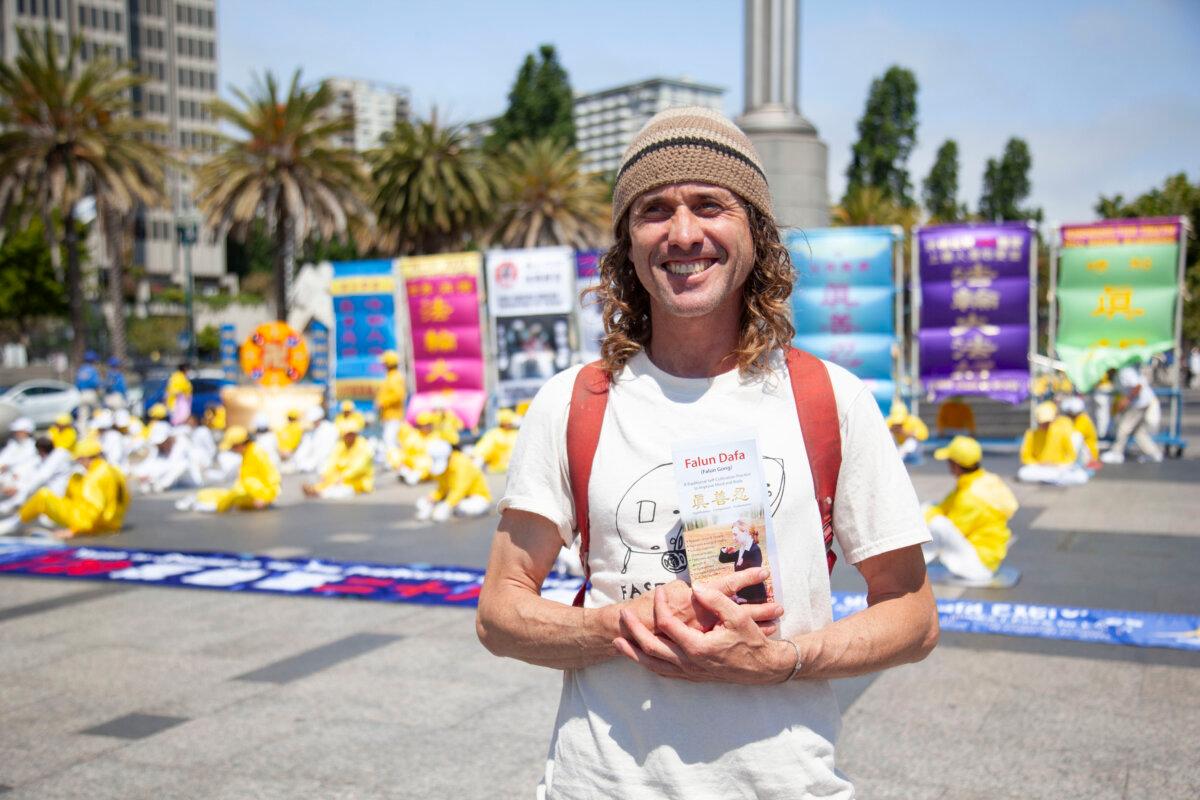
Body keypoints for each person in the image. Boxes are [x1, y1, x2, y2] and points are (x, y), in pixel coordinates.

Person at [475, 107, 937, 798]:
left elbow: (913, 613)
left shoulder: (827, 398)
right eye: (654, 209)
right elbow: (501, 612)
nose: (683, 233)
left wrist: (780, 659)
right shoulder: (574, 402)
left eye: (711, 206)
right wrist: (619, 627)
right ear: (627, 246)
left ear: (756, 234)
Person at [922, 436, 1018, 582]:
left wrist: (925, 521)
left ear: (956, 465)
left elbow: (951, 528)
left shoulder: (970, 497)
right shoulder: (979, 481)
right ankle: (914, 561)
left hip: (979, 566)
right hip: (982, 557)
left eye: (949, 461)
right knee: (928, 508)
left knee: (938, 525)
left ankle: (911, 566)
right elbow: (942, 507)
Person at [1, 438, 127, 539]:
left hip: (97, 524)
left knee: (43, 496)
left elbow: (94, 507)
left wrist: (73, 531)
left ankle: (13, 524)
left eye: (79, 459)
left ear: (86, 457)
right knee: (75, 478)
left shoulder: (94, 477)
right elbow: (125, 498)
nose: (79, 462)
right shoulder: (113, 470)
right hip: (113, 522)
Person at [175, 426, 279, 513]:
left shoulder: (257, 453)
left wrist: (265, 499)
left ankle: (203, 506)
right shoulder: (248, 453)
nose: (232, 450)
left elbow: (272, 476)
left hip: (257, 495)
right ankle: (198, 498)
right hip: (248, 491)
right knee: (215, 492)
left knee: (227, 499)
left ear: (240, 444)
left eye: (233, 447)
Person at [0, 437, 74, 521]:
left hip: (59, 493)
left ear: (41, 450)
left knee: (43, 519)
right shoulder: (55, 454)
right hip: (52, 491)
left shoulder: (57, 457)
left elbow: (41, 478)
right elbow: (34, 473)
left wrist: (18, 488)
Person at [1101, 363, 1163, 464]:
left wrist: (1127, 400)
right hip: (1141, 402)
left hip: (1140, 403)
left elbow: (1137, 386)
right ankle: (1153, 453)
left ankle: (1117, 452)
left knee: (1123, 428)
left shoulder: (1125, 372)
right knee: (1138, 432)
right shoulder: (1119, 375)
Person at [416, 439, 491, 522]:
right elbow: (442, 488)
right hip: (455, 497)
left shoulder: (462, 463)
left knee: (462, 507)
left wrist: (447, 505)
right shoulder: (444, 466)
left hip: (475, 497)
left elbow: (459, 490)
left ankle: (451, 510)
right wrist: (432, 498)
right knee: (422, 503)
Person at [302, 417, 374, 500]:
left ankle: (320, 493)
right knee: (328, 480)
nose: (348, 437)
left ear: (356, 434)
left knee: (342, 490)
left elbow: (359, 467)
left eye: (351, 434)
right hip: (340, 478)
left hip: (358, 481)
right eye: (346, 434)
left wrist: (344, 476)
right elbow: (332, 461)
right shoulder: (341, 445)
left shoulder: (363, 445)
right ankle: (315, 489)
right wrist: (326, 474)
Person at [1018, 401, 1088, 486]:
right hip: (1039, 468)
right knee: (1023, 473)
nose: (1045, 425)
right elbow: (1026, 457)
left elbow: (1070, 456)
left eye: (1047, 422)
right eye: (1043, 422)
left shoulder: (1061, 432)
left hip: (1058, 468)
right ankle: (1054, 480)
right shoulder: (1031, 434)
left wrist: (1057, 465)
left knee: (1081, 477)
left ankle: (1051, 479)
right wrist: (1039, 464)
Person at [375, 350, 407, 465]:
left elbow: (399, 395)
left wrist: (383, 402)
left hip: (394, 415)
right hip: (388, 415)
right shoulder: (390, 377)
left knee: (390, 440)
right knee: (390, 439)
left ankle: (394, 463)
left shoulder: (395, 378)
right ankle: (393, 461)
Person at [469, 409, 521, 473]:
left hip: (514, 472)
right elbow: (480, 453)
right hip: (498, 472)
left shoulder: (516, 433)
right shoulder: (494, 434)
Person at [1058, 395, 1099, 468]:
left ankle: (1068, 462)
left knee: (1075, 437)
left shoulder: (1083, 420)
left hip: (1087, 455)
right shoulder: (1069, 419)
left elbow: (1072, 436)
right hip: (1078, 453)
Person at [0, 417, 39, 487]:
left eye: (19, 431)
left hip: (22, 481)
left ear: (26, 432)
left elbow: (31, 464)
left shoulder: (33, 447)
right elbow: (4, 458)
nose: (16, 434)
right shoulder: (13, 444)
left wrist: (18, 473)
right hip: (6, 479)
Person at [1092, 368, 1117, 439]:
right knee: (1102, 415)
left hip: (1104, 392)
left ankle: (1104, 433)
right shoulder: (1100, 369)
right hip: (1102, 393)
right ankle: (1102, 434)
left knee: (1103, 415)